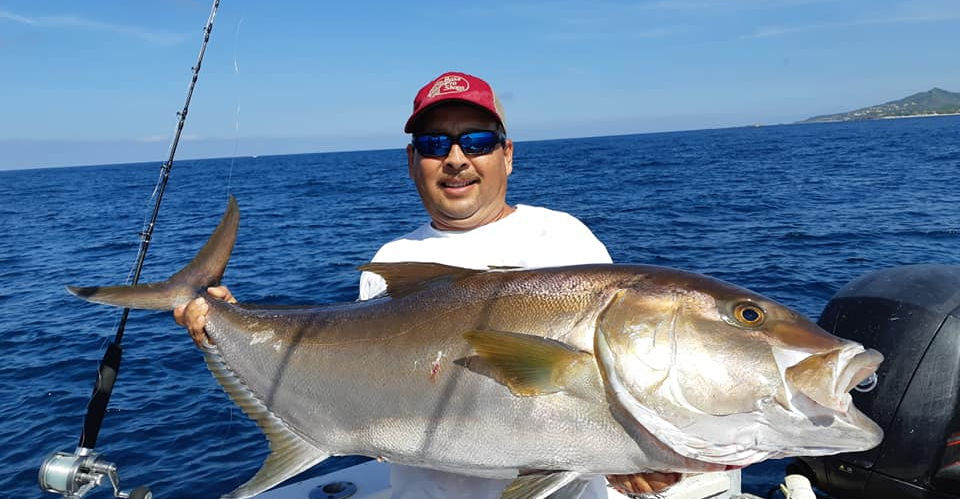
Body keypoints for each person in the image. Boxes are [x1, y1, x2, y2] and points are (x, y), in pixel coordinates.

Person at [174, 71, 734, 498]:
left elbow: (599, 390)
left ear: (507, 155)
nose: (457, 159)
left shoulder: (561, 238)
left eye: (477, 140)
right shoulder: (394, 259)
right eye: (435, 145)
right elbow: (375, 381)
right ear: (412, 162)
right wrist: (226, 325)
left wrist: (631, 456)